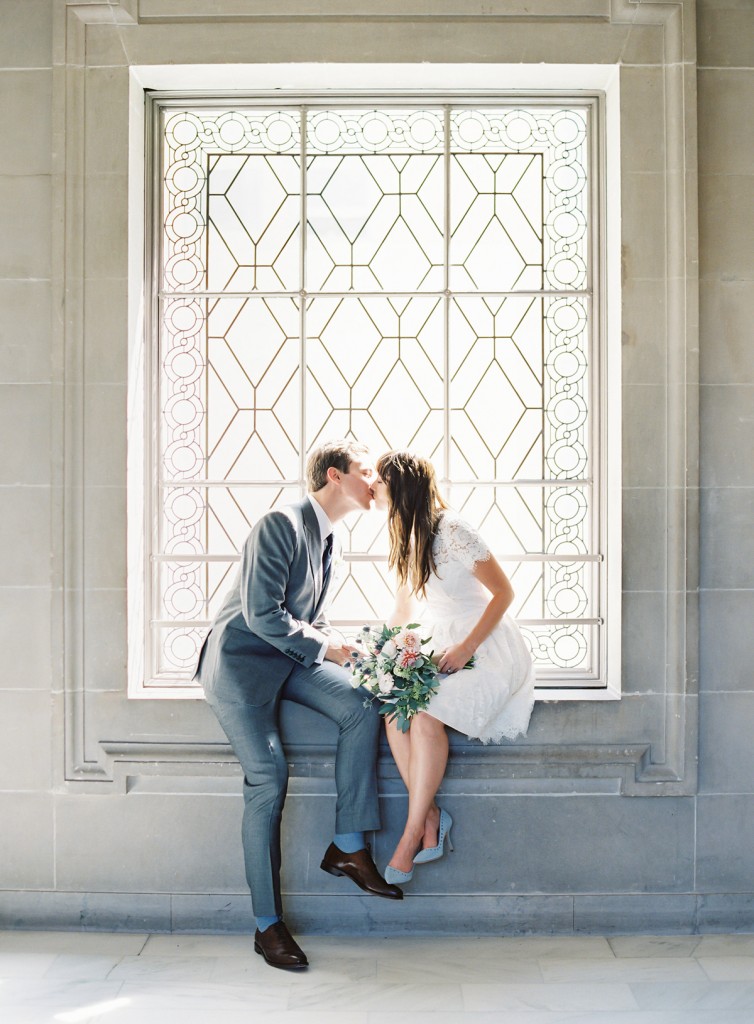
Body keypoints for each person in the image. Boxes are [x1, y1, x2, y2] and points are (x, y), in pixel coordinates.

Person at [195, 440, 403, 972]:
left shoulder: (330, 537)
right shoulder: (279, 523)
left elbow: (309, 614)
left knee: (362, 704)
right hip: (241, 667)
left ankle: (348, 845)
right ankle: (267, 926)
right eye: (365, 472)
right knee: (269, 779)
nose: (374, 482)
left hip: (288, 659)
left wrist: (350, 650)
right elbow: (263, 615)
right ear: (334, 476)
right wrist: (327, 647)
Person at [372, 450, 535, 885]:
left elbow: (504, 593)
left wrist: (465, 647)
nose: (373, 488)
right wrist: (383, 652)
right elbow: (404, 608)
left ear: (402, 486)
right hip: (444, 643)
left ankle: (409, 838)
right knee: (395, 713)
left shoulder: (454, 529)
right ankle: (431, 817)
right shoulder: (407, 538)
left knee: (425, 715)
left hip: (486, 646)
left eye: (380, 482)